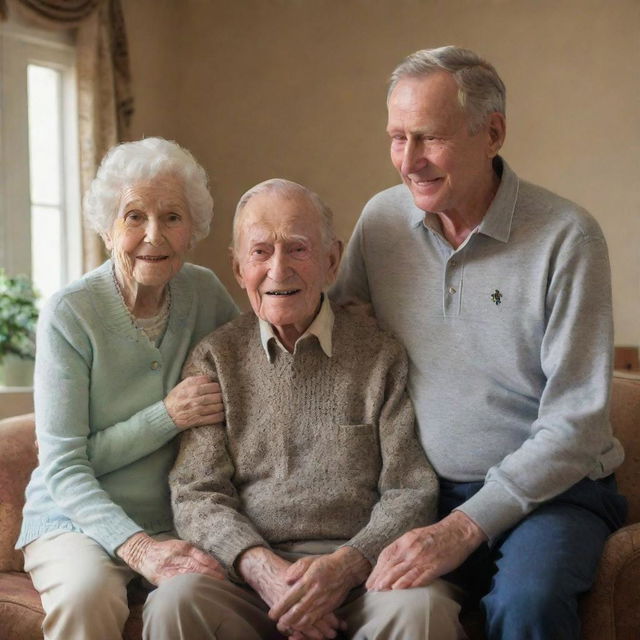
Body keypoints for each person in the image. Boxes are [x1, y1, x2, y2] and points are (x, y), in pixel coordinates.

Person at [331, 46, 627, 640]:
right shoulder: (383, 222)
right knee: (371, 600)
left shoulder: (567, 237)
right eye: (396, 138)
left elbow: (577, 424)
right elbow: (334, 337)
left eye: (428, 138)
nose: (408, 161)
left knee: (528, 603)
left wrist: (465, 527)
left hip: (554, 494)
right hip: (416, 490)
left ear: (491, 132)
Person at [144, 178, 465, 640]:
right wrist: (262, 570)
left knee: (422, 611)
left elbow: (410, 489)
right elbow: (197, 492)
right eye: (260, 252)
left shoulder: (380, 354)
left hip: (360, 576)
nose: (278, 269)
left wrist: (346, 567)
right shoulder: (216, 357)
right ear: (237, 268)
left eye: (297, 249)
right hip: (249, 580)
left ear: (331, 261)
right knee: (174, 604)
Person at [17, 137, 238, 640]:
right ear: (107, 226)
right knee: (87, 595)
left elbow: (255, 373)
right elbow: (64, 465)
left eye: (172, 217)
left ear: (194, 230)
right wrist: (168, 416)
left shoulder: (205, 293)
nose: (153, 235)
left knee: (215, 593)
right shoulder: (71, 313)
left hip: (179, 516)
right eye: (134, 216)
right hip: (75, 520)